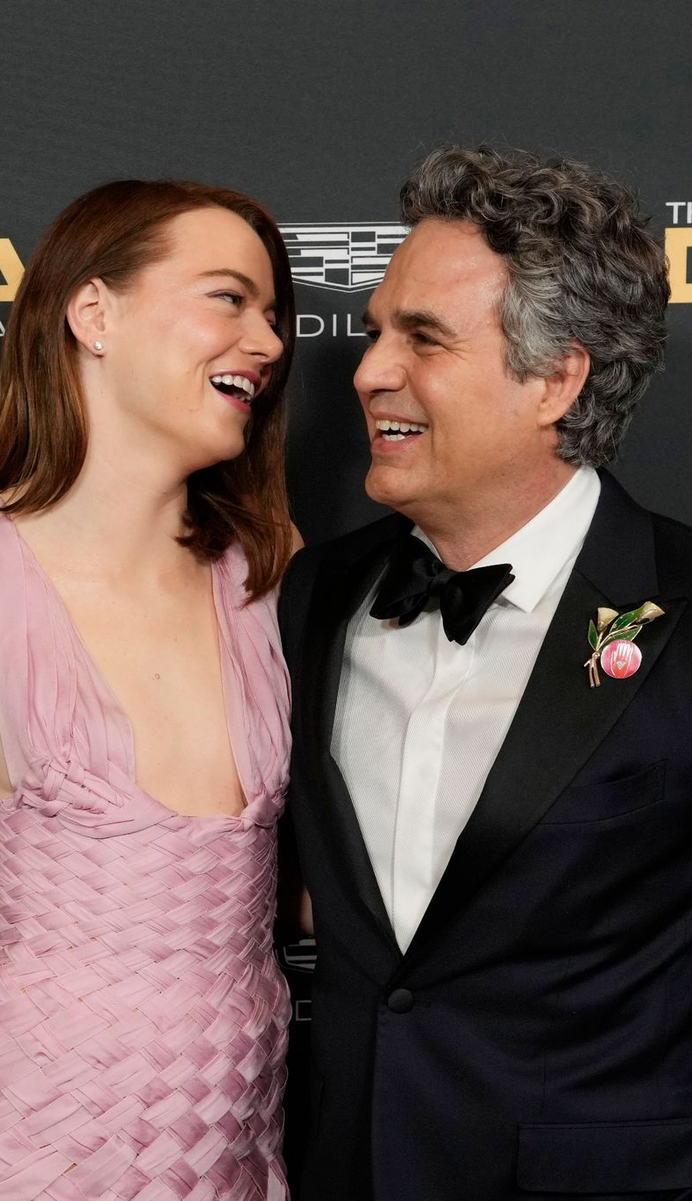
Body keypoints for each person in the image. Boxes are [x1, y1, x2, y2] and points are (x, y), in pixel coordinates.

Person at [0, 178, 300, 1198]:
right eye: (228, 298)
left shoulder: (269, 574)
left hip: (228, 1145)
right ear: (92, 314)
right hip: (10, 1143)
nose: (266, 341)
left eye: (272, 313)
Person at [280, 145, 687, 1200]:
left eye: (424, 338)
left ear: (557, 378)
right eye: (377, 331)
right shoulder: (312, 596)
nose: (368, 370)